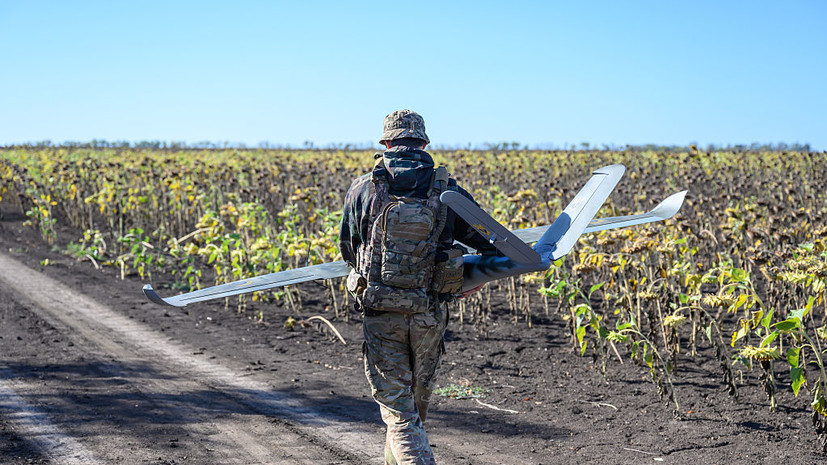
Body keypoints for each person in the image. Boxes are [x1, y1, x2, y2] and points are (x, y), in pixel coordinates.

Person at [339, 110, 496, 465]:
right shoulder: (448, 190)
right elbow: (490, 244)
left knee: (400, 413)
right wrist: (469, 278)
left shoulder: (363, 188)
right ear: (424, 143)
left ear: (388, 143)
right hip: (428, 314)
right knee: (414, 407)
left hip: (381, 315)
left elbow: (348, 247)